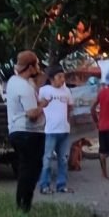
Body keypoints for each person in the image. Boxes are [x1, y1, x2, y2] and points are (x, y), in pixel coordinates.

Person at [6, 50, 47, 212]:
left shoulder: (12, 82)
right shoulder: (25, 87)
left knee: (25, 168)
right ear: (30, 67)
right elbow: (31, 114)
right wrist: (42, 105)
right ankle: (24, 205)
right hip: (29, 133)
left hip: (16, 131)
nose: (38, 67)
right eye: (36, 64)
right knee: (31, 170)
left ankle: (22, 204)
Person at [38, 65, 74, 194]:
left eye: (63, 76)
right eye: (59, 77)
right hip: (50, 130)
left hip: (64, 130)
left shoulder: (66, 91)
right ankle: (44, 185)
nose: (62, 79)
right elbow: (38, 105)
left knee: (63, 159)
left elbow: (70, 106)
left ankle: (61, 184)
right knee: (47, 158)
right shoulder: (44, 90)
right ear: (52, 79)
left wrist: (68, 121)